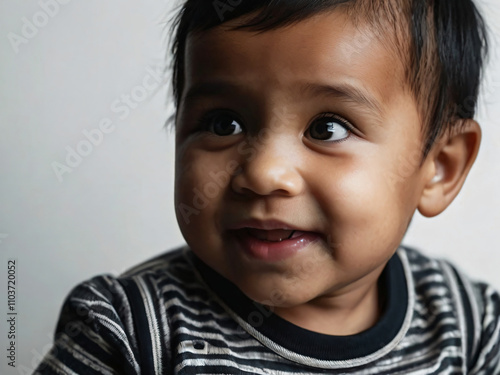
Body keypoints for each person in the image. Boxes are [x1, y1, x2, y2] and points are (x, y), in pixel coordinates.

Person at [35, 0, 500, 373]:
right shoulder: (130, 331)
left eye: (327, 129)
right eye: (224, 123)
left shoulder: (470, 325)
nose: (263, 172)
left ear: (439, 166)